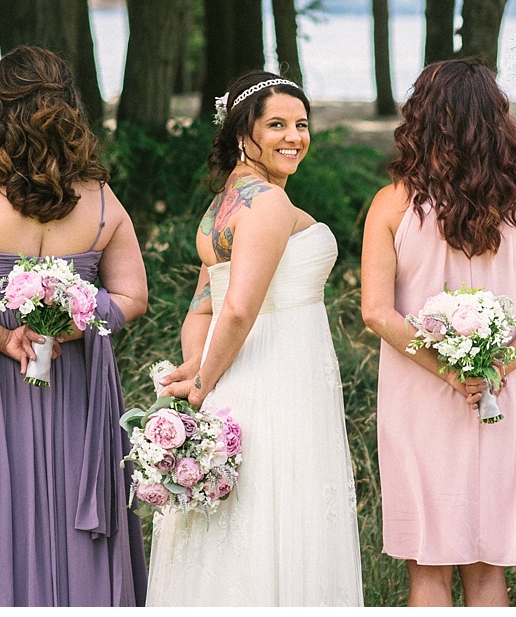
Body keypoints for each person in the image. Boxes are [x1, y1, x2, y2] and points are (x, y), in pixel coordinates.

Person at [0, 46, 148, 606]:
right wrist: (73, 323)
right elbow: (133, 295)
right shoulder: (101, 200)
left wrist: (0, 336)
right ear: (71, 111)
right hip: (72, 383)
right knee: (66, 507)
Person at [361, 59, 516, 606]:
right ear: (497, 122)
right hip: (500, 397)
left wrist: (450, 369)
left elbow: (378, 313)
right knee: (486, 569)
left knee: (427, 568)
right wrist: (497, 365)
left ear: (422, 120)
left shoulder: (392, 205)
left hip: (419, 393)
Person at [151, 72, 364, 605]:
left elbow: (203, 304)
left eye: (301, 124)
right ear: (243, 133)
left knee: (247, 516)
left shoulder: (222, 205)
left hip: (242, 374)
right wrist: (199, 383)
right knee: (279, 509)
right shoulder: (266, 203)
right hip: (279, 373)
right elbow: (239, 308)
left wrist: (198, 367)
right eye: (276, 125)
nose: (294, 136)